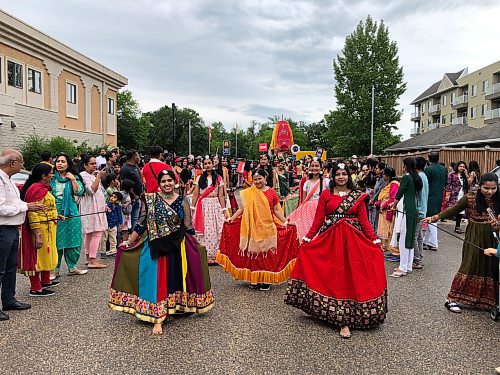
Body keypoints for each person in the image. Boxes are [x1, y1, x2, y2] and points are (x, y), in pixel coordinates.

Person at [284, 162, 387, 338]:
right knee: (334, 277)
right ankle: (338, 318)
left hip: (353, 243)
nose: (341, 177)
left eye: (344, 174)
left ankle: (348, 318)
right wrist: (308, 238)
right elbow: (318, 219)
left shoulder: (357, 196)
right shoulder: (326, 194)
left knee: (351, 278)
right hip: (330, 241)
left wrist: (374, 239)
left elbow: (364, 222)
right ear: (332, 176)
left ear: (349, 176)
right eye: (338, 174)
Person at [109, 170, 214, 335]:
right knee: (156, 280)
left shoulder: (183, 200)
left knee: (176, 276)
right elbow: (141, 224)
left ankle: (174, 307)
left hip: (178, 243)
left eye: (170, 181)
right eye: (163, 181)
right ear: (159, 184)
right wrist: (129, 241)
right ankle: (158, 318)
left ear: (175, 182)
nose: (167, 184)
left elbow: (187, 224)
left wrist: (195, 243)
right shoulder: (150, 200)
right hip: (156, 244)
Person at [424, 173, 500, 313]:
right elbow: (454, 209)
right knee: (469, 264)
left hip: (494, 237)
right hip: (474, 236)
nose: (490, 192)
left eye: (494, 188)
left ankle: (489, 301)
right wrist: (435, 217)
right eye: (486, 188)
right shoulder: (470, 197)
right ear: (480, 186)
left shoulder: (499, 198)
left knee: (492, 267)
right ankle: (452, 299)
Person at [216, 169, 300, 291]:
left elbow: (276, 210)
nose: (257, 181)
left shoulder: (271, 192)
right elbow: (241, 209)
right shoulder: (249, 192)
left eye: (260, 178)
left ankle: (266, 279)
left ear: (265, 178)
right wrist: (231, 219)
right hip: (251, 228)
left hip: (267, 227)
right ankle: (254, 279)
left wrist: (286, 221)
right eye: (255, 179)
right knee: (254, 255)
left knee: (266, 255)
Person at [0, 150, 44, 320]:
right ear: (12, 163)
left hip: (11, 229)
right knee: (0, 268)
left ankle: (9, 299)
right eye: (21, 162)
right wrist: (26, 207)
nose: (23, 166)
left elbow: (15, 203)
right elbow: (2, 208)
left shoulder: (8, 180)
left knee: (10, 266)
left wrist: (27, 205)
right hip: (3, 229)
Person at [19, 163, 60, 297]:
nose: (52, 175)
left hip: (48, 227)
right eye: (51, 173)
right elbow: (33, 213)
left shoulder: (43, 188)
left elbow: (45, 208)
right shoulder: (36, 189)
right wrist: (37, 234)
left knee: (46, 254)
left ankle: (45, 281)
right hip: (40, 228)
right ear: (44, 176)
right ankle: (36, 287)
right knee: (38, 257)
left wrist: (56, 215)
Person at [50, 153, 87, 278]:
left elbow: (79, 192)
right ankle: (55, 270)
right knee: (56, 241)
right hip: (55, 211)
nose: (59, 163)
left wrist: (72, 179)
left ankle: (72, 267)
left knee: (74, 240)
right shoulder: (51, 178)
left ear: (68, 164)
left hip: (71, 212)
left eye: (63, 161)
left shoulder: (73, 176)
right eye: (58, 161)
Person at [389, 157, 423, 277]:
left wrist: (393, 205)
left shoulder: (407, 177)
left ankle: (403, 267)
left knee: (404, 238)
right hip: (413, 209)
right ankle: (408, 265)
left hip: (405, 210)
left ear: (405, 166)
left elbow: (399, 193)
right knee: (409, 238)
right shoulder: (417, 177)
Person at [191, 156, 228, 264]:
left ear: (213, 164)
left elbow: (221, 196)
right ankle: (205, 255)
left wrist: (224, 209)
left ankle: (217, 256)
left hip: (215, 205)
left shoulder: (219, 178)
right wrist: (192, 208)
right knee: (205, 231)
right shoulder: (199, 178)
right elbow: (196, 194)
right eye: (205, 163)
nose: (207, 165)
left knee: (218, 229)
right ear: (203, 165)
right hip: (203, 206)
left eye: (209, 163)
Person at [287, 158, 329, 242]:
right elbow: (304, 201)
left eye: (317, 166)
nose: (314, 168)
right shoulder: (307, 183)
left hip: (322, 209)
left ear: (321, 168)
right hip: (308, 210)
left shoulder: (326, 182)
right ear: (309, 168)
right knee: (308, 230)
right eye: (312, 166)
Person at [79, 154, 108, 269]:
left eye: (95, 163)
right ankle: (92, 260)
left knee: (91, 232)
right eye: (91, 164)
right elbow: (92, 190)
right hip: (91, 207)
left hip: (97, 207)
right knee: (96, 232)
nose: (94, 166)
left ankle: (89, 258)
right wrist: (98, 177)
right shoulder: (83, 175)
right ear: (85, 165)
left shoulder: (92, 175)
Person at [423, 152, 447, 251]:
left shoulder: (428, 169)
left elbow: (425, 183)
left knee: (431, 218)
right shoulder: (443, 169)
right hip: (439, 195)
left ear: (429, 159)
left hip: (429, 195)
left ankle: (433, 243)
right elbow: (445, 182)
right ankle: (427, 241)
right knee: (431, 218)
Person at [376, 167, 400, 253]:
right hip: (384, 209)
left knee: (389, 229)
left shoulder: (394, 184)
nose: (382, 176)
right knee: (385, 229)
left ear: (388, 176)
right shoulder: (389, 184)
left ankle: (392, 249)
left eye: (383, 174)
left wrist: (384, 205)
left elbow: (392, 198)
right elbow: (384, 197)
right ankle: (385, 246)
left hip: (388, 209)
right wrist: (378, 203)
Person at [442, 161, 469, 234]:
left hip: (462, 194)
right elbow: (448, 185)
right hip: (454, 194)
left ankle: (457, 227)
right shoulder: (452, 174)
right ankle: (443, 217)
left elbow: (468, 184)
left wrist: (466, 175)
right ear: (457, 166)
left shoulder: (464, 175)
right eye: (460, 166)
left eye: (463, 166)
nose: (462, 168)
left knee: (461, 211)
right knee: (454, 209)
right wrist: (447, 195)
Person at [120, 150, 144, 230]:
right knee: (128, 219)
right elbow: (124, 183)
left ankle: (134, 234)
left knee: (135, 218)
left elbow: (140, 179)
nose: (139, 158)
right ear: (134, 157)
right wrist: (133, 195)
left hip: (138, 197)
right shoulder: (125, 168)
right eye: (138, 156)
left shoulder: (136, 166)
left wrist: (142, 190)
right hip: (130, 198)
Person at [412, 156, 429, 269]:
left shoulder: (418, 177)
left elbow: (418, 195)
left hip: (418, 209)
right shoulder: (424, 176)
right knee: (418, 236)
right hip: (423, 209)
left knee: (414, 236)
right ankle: (419, 257)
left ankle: (417, 260)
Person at [99, 192, 123, 257]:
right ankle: (103, 252)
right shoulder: (107, 205)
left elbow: (119, 215)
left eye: (114, 197)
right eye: (112, 196)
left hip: (114, 224)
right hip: (105, 224)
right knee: (103, 239)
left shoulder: (118, 207)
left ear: (118, 200)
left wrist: (120, 223)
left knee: (113, 239)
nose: (112, 198)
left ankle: (113, 251)